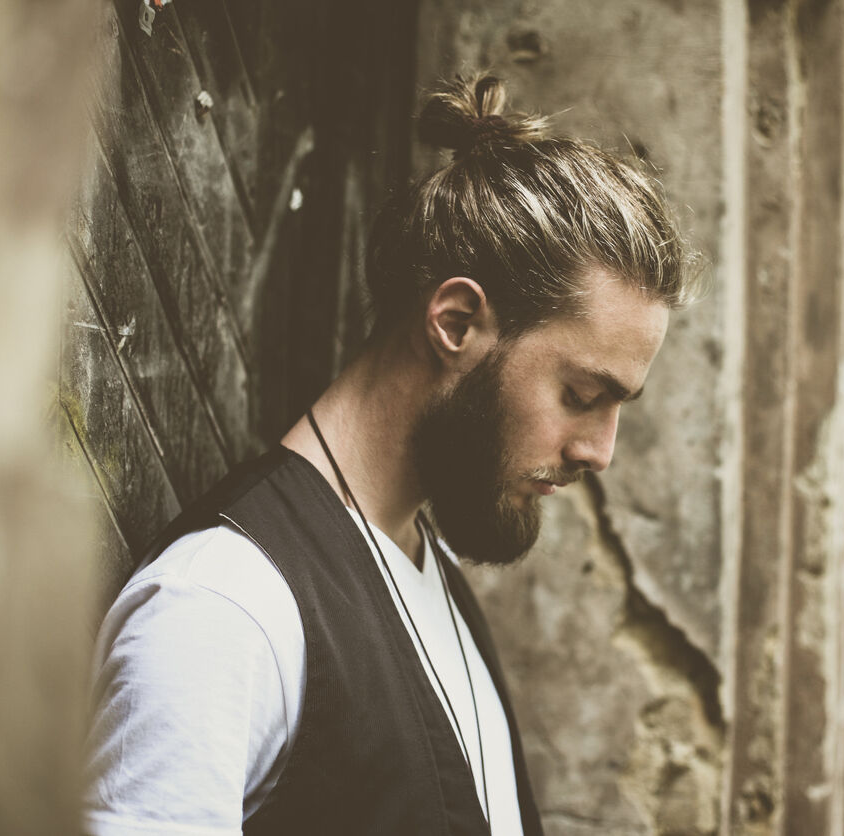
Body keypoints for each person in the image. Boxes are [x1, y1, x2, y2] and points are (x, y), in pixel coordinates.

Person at [82, 73, 699, 835]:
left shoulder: (427, 571)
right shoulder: (221, 607)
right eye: (580, 394)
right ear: (456, 321)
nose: (599, 452)